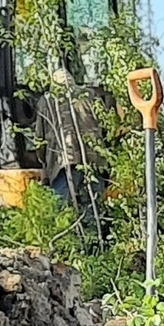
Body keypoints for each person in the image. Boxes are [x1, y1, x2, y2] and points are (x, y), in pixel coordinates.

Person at [33, 67, 108, 218]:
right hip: (94, 160)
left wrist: (44, 163)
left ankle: (68, 240)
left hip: (63, 162)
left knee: (62, 212)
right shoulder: (90, 95)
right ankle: (92, 240)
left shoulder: (47, 101)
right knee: (92, 209)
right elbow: (106, 126)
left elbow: (39, 140)